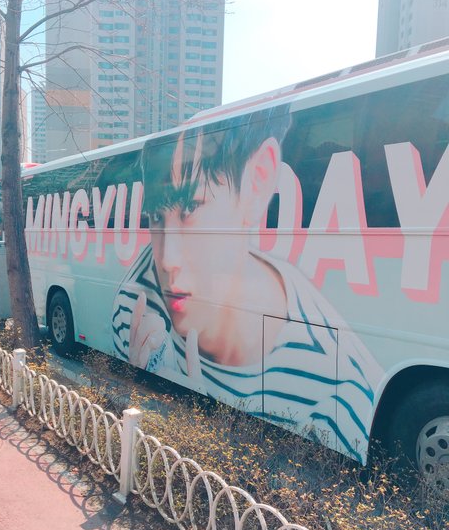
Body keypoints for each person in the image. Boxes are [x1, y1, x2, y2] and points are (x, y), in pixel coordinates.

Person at [112, 104, 383, 461]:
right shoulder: (136, 307)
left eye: (191, 208)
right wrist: (146, 378)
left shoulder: (341, 397)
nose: (166, 258)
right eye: (155, 216)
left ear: (257, 181)